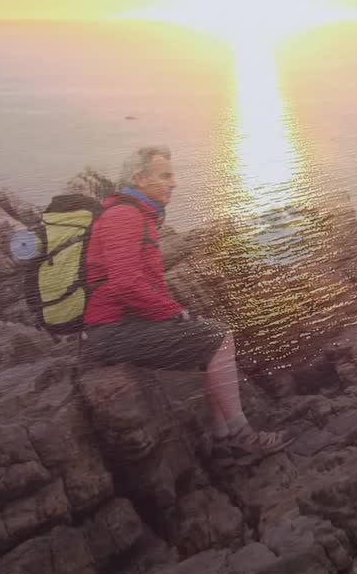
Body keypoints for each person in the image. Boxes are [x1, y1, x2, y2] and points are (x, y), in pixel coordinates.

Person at [82, 145, 295, 468]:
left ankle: (225, 440)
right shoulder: (124, 216)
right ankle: (238, 435)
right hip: (113, 331)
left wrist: (172, 312)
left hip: (121, 325)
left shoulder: (136, 215)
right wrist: (172, 313)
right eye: (165, 176)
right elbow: (126, 283)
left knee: (211, 339)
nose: (174, 183)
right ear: (139, 178)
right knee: (217, 338)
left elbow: (137, 283)